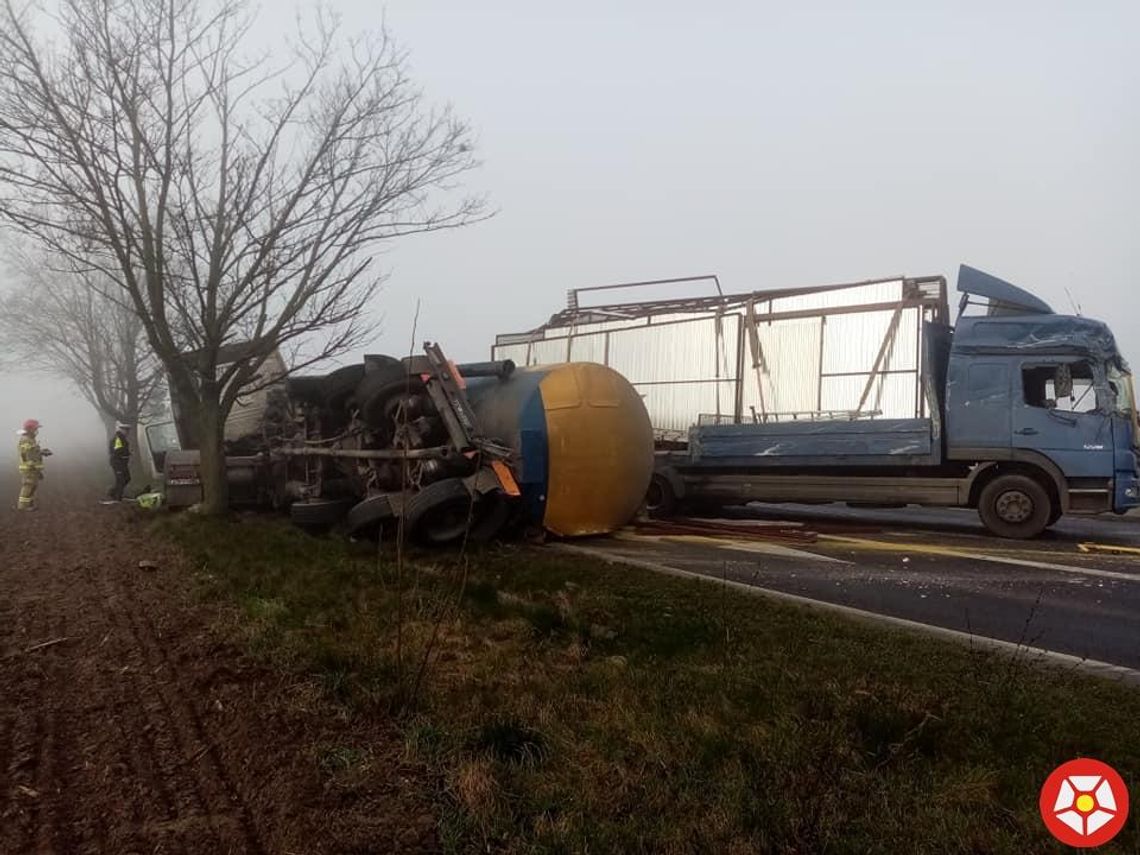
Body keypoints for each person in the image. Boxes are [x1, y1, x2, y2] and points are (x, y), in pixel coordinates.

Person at [16, 419, 52, 511]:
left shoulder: (30, 439)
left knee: (33, 486)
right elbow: (27, 455)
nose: (37, 430)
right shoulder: (26, 440)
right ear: (30, 429)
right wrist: (34, 467)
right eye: (35, 428)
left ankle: (29, 505)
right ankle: (23, 506)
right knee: (28, 486)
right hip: (29, 468)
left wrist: (42, 452)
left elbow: (33, 452)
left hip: (32, 468)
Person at [108, 422, 132, 502]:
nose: (128, 432)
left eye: (128, 430)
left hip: (122, 463)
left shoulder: (122, 438)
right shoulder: (118, 438)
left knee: (127, 478)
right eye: (126, 430)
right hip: (118, 463)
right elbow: (117, 451)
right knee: (121, 480)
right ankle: (118, 497)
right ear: (121, 430)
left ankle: (112, 492)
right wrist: (126, 453)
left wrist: (128, 453)